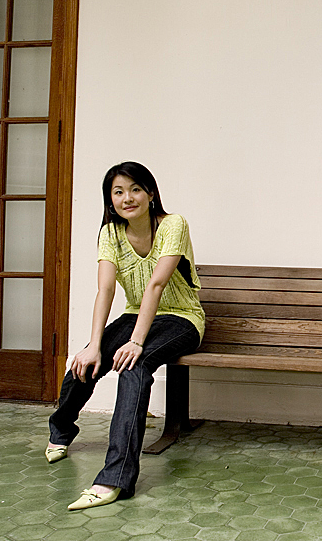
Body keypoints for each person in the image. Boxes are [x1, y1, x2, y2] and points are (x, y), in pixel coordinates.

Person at [46, 162, 205, 510]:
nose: (127, 198)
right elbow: (105, 289)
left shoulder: (173, 224)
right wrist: (94, 345)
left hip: (181, 318)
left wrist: (135, 342)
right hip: (135, 315)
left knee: (135, 364)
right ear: (110, 200)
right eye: (118, 192)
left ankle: (114, 478)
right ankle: (61, 428)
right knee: (87, 361)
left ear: (150, 193)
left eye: (135, 189)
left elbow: (156, 284)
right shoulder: (110, 234)